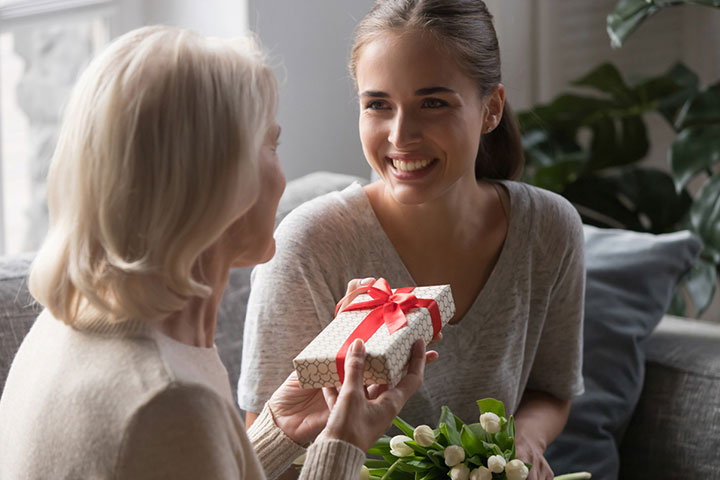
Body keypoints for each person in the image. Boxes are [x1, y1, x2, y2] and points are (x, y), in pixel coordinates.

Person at [0, 25, 434, 480]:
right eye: (272, 144)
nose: (283, 176)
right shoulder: (166, 400)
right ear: (217, 182)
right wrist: (343, 446)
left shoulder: (67, 325)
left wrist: (277, 431)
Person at [239, 1, 585, 479]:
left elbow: (552, 390)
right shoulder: (309, 245)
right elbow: (265, 449)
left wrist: (524, 440)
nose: (401, 136)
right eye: (377, 104)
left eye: (434, 103)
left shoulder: (550, 228)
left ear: (491, 109)